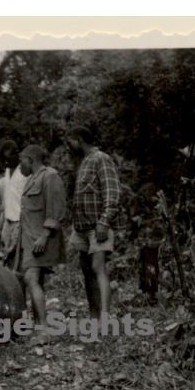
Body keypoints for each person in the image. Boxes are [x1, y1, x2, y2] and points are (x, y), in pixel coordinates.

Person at [66, 126, 123, 319]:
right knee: (87, 270)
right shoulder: (83, 162)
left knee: (98, 268)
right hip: (82, 228)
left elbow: (112, 191)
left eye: (70, 141)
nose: (69, 146)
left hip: (97, 227)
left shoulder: (101, 158)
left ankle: (105, 319)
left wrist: (104, 221)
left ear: (80, 139)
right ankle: (94, 315)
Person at [17, 145, 66, 343]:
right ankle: (38, 329)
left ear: (30, 158)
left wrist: (45, 235)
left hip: (40, 238)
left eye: (21, 160)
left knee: (30, 279)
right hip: (28, 239)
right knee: (33, 281)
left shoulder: (50, 176)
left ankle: (44, 331)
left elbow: (56, 208)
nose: (20, 165)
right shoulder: (32, 179)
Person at [0, 140, 28, 266]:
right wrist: (1, 225)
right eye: (3, 160)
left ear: (17, 154)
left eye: (8, 159)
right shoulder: (7, 171)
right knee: (4, 255)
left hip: (20, 221)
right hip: (7, 220)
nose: (6, 163)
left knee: (17, 255)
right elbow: (6, 201)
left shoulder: (25, 171)